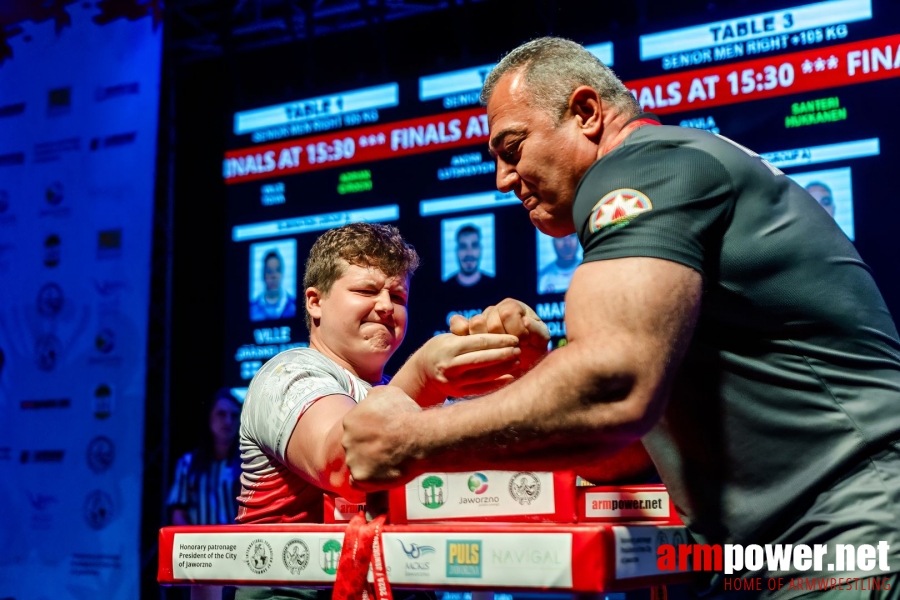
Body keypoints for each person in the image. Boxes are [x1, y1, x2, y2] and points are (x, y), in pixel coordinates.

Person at [342, 37, 900, 598]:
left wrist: (411, 440)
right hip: (794, 554)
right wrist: (545, 380)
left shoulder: (647, 164)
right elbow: (619, 451)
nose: (503, 179)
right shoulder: (670, 180)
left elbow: (611, 389)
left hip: (853, 536)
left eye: (512, 148)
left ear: (586, 113)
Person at [235, 223, 546, 598]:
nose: (385, 306)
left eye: (397, 296)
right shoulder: (287, 372)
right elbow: (344, 464)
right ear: (315, 302)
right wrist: (424, 380)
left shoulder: (392, 395)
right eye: (366, 290)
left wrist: (516, 369)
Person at [167, 387, 242, 600]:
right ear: (209, 420)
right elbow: (177, 513)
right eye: (221, 414)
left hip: (237, 559)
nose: (227, 421)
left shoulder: (250, 465)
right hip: (199, 560)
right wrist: (198, 547)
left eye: (233, 415)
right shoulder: (187, 464)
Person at [250, 249, 297, 321]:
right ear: (263, 275)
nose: (273, 276)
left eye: (277, 270)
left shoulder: (294, 306)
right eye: (269, 271)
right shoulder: (252, 309)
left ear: (282, 273)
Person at [446, 224, 494, 288]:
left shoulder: (495, 286)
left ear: (480, 250)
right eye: (463, 246)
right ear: (456, 251)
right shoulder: (443, 289)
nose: (469, 253)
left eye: (474, 246)